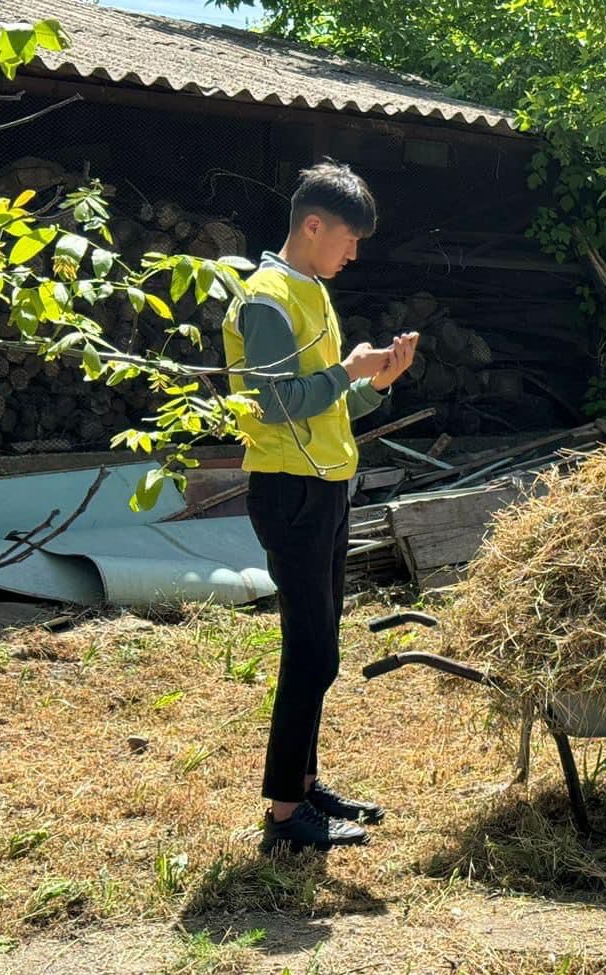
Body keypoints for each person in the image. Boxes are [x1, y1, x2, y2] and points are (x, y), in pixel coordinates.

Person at [222, 161, 419, 852]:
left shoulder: (311, 289)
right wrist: (351, 371)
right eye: (349, 238)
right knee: (311, 652)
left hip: (325, 483)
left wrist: (376, 383)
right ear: (313, 225)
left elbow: (325, 400)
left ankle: (304, 783)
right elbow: (278, 404)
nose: (354, 252)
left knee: (320, 648)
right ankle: (283, 814)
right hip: (291, 488)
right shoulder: (269, 296)